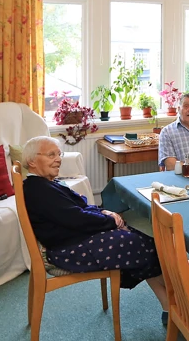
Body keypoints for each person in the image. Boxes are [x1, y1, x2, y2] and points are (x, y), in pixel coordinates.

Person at [21, 136, 169, 321]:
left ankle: (170, 300)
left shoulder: (43, 184)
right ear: (31, 161)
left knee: (140, 241)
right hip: (67, 250)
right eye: (51, 155)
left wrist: (104, 212)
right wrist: (110, 221)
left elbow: (77, 209)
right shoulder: (39, 190)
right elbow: (76, 218)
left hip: (72, 239)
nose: (58, 159)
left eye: (59, 154)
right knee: (142, 244)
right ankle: (176, 295)